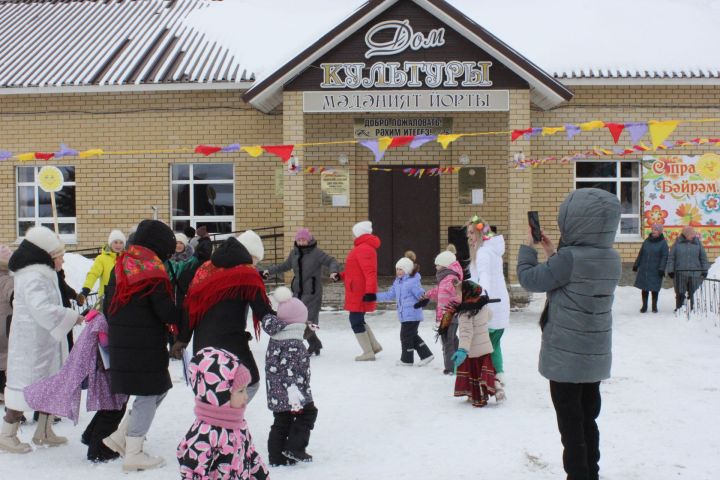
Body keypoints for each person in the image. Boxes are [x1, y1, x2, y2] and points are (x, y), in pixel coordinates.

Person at [517, 188, 621, 480]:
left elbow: (529, 279)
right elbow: (571, 282)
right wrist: (554, 254)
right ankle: (591, 472)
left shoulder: (569, 259)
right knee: (588, 419)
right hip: (594, 357)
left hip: (565, 359)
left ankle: (578, 475)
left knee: (570, 425)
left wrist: (530, 247)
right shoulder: (610, 258)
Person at [101, 219, 180, 472]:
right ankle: (133, 453)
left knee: (159, 389)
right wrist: (188, 312)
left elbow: (107, 303)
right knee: (149, 393)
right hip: (143, 343)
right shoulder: (151, 270)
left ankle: (120, 437)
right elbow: (166, 311)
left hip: (125, 341)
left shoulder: (122, 263)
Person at [0, 227, 84, 454]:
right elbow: (42, 309)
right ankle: (6, 435)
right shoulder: (33, 276)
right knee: (24, 390)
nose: (62, 261)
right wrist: (71, 316)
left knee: (49, 386)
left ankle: (44, 432)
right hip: (31, 347)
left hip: (44, 344)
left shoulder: (42, 273)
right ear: (48, 256)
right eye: (60, 257)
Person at [174, 231, 274, 401]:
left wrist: (182, 338)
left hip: (203, 344)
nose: (256, 264)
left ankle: (218, 420)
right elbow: (263, 311)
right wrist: (291, 324)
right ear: (250, 255)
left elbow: (190, 307)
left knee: (214, 392)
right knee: (251, 382)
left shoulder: (204, 270)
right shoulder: (248, 274)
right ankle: (226, 419)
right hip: (232, 344)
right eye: (257, 259)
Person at [24, 309, 128, 462]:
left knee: (113, 406)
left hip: (102, 368)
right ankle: (98, 451)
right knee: (113, 408)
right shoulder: (107, 319)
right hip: (104, 369)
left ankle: (90, 436)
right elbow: (106, 348)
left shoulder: (102, 316)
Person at [177, 347, 269, 479]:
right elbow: (194, 474)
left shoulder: (238, 425)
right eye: (240, 391)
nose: (246, 396)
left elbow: (250, 457)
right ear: (220, 395)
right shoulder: (204, 435)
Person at [263, 228, 340, 356]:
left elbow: (331, 261)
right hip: (298, 291)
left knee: (308, 319)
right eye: (299, 240)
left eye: (303, 240)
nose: (301, 242)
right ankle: (315, 344)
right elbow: (285, 266)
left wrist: (333, 271)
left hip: (312, 291)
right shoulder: (294, 253)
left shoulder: (317, 253)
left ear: (309, 240)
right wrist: (269, 271)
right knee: (298, 319)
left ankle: (308, 344)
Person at [263, 287, 318, 466]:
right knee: (309, 412)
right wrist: (294, 393)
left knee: (282, 420)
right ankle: (295, 447)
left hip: (276, 390)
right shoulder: (293, 342)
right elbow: (290, 370)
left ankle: (277, 457)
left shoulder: (279, 334)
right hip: (293, 390)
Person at [466, 216, 510, 394]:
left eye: (471, 232)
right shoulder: (492, 251)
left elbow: (484, 277)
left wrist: (481, 297)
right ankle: (498, 374)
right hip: (499, 304)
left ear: (479, 233)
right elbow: (479, 277)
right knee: (494, 343)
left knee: (483, 346)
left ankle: (489, 380)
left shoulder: (483, 252)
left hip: (490, 305)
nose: (469, 237)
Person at [376, 252, 434, 366]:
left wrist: (423, 297)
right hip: (405, 315)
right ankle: (426, 355)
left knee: (405, 336)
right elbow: (390, 294)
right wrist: (374, 296)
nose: (398, 272)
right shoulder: (398, 282)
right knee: (412, 336)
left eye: (401, 269)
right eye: (397, 269)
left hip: (412, 314)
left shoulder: (412, 282)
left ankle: (407, 360)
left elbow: (419, 291)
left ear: (407, 270)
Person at [338, 221, 382, 361]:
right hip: (356, 290)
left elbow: (370, 273)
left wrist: (370, 292)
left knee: (355, 320)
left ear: (359, 233)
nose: (352, 236)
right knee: (358, 319)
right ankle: (373, 347)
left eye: (353, 233)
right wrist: (340, 276)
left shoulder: (364, 248)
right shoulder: (362, 247)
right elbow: (353, 271)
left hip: (360, 292)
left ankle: (368, 352)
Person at [450, 280, 498, 407]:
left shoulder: (465, 312)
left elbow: (466, 333)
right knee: (485, 372)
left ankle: (478, 396)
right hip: (485, 347)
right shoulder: (482, 306)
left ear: (466, 294)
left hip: (473, 349)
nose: (457, 296)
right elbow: (490, 316)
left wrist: (462, 350)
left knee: (475, 374)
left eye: (459, 294)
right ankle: (496, 386)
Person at [420, 247, 462, 375]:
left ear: (444, 265)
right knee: (452, 339)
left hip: (449, 315)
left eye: (437, 264)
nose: (435, 267)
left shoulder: (451, 279)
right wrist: (427, 294)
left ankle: (450, 368)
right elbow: (439, 290)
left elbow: (458, 294)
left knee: (447, 341)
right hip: (447, 315)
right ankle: (461, 364)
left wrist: (453, 307)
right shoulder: (446, 278)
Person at [666, 226, 710, 311]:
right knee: (680, 292)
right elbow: (671, 258)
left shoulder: (698, 243)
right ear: (686, 235)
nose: (694, 235)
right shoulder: (677, 243)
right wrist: (670, 270)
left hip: (695, 273)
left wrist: (705, 270)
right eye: (691, 234)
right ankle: (680, 308)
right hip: (680, 273)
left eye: (694, 233)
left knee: (694, 292)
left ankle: (693, 309)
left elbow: (703, 258)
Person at [79, 229, 126, 304]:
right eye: (115, 242)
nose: (118, 245)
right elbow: (93, 274)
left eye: (121, 243)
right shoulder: (101, 259)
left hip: (123, 298)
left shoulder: (126, 259)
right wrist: (85, 290)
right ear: (110, 243)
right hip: (106, 299)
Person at [632, 223, 669, 313]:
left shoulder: (663, 243)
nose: (653, 231)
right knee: (644, 288)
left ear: (660, 232)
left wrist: (662, 268)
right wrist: (636, 264)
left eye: (655, 230)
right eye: (653, 229)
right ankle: (644, 306)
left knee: (654, 288)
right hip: (645, 269)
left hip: (656, 270)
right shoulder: (647, 241)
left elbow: (665, 257)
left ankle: (654, 307)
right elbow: (641, 254)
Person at [0, 245, 13, 405]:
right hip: (6, 325)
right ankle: (7, 396)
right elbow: (14, 297)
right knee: (6, 359)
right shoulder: (8, 280)